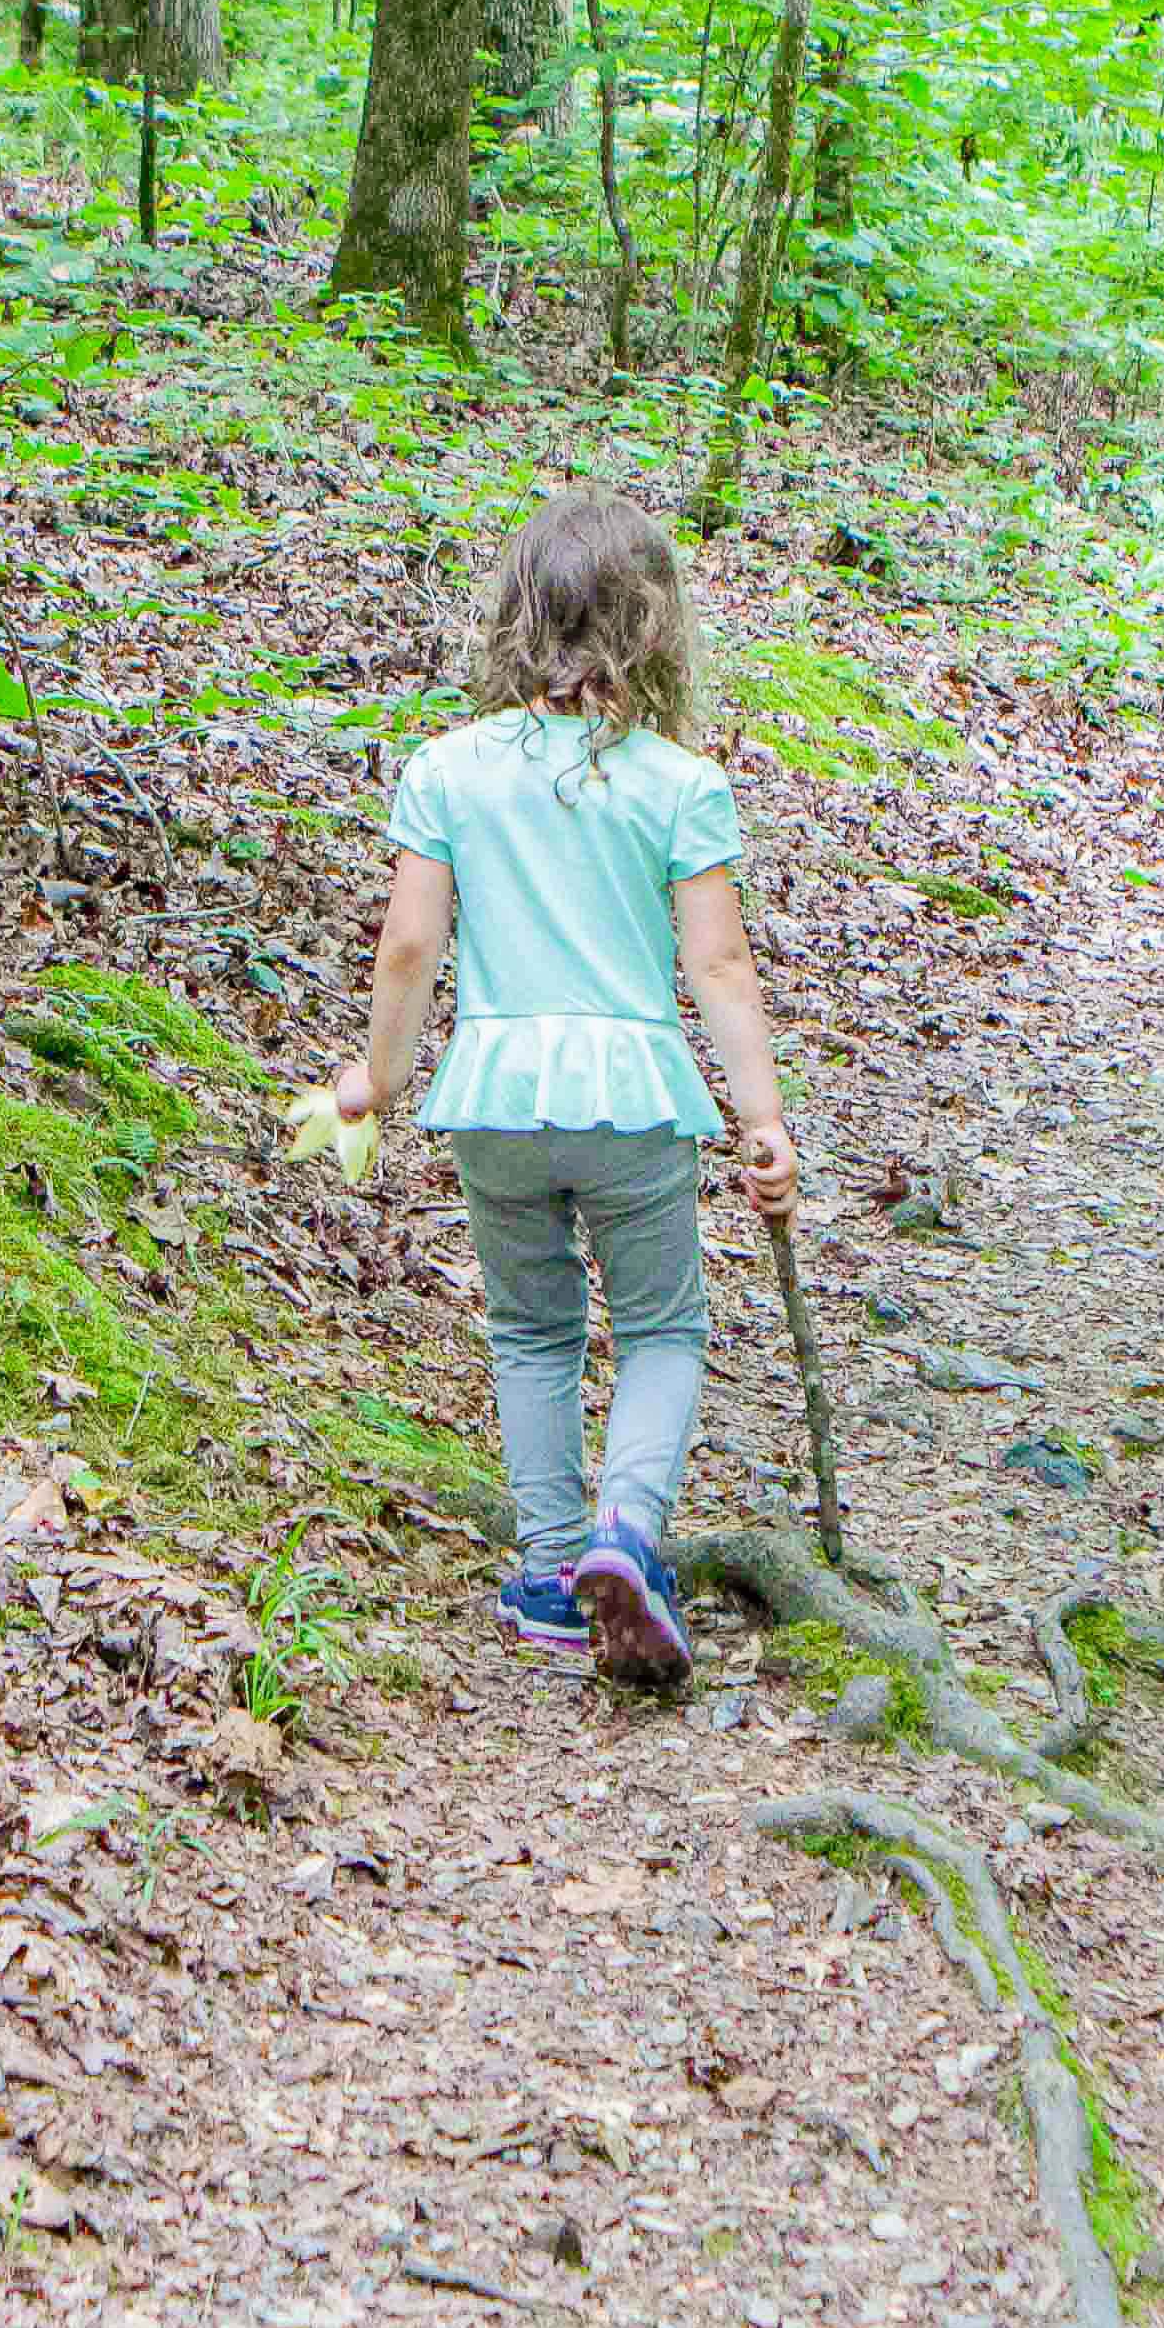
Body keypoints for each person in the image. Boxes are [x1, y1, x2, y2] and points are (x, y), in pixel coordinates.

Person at [338, 483, 802, 1694]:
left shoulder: (446, 770)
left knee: (531, 1331)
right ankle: (625, 1535)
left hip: (491, 1093)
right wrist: (762, 1121)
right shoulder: (678, 784)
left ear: (515, 615)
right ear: (654, 628)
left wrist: (376, 1083)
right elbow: (719, 963)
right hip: (633, 1096)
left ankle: (549, 1575)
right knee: (661, 1326)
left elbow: (407, 949)